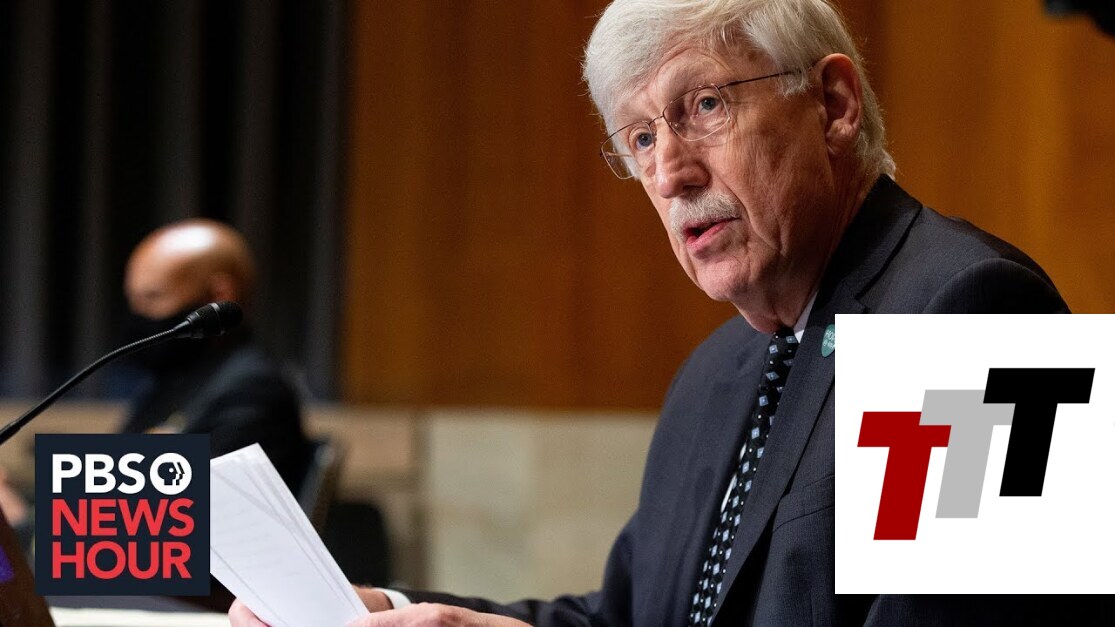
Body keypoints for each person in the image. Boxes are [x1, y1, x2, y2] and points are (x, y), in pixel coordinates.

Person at [233, 0, 1108, 624]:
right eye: (642, 136)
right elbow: (633, 613)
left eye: (705, 106)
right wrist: (394, 611)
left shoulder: (974, 322)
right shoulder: (717, 372)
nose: (669, 173)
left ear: (833, 106)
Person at [121, 218, 311, 493]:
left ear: (219, 295)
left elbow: (210, 500)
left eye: (153, 297)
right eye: (133, 300)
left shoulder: (254, 389)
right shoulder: (172, 382)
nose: (139, 315)